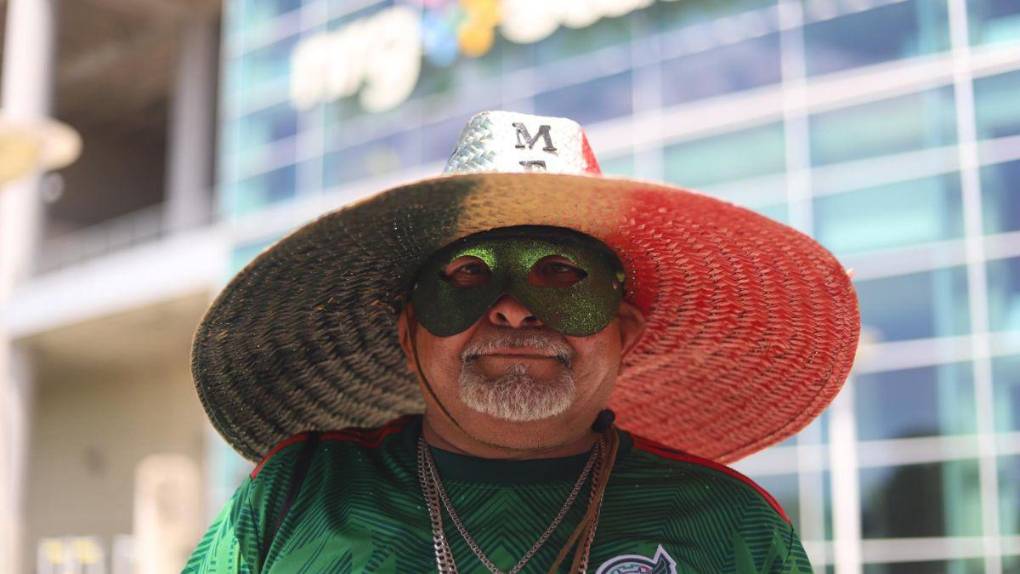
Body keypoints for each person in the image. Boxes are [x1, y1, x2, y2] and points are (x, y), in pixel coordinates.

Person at [184, 111, 859, 573]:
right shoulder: (297, 494)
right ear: (409, 330)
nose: (511, 311)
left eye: (560, 274)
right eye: (470, 274)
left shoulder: (730, 526)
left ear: (623, 333)